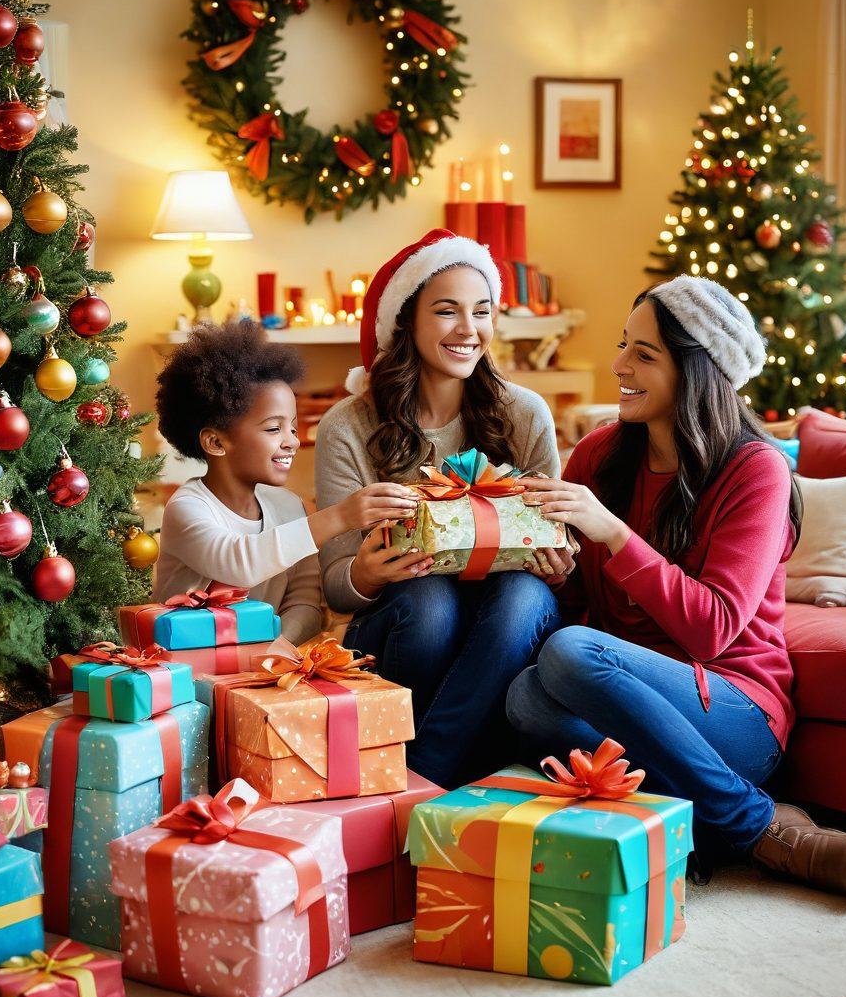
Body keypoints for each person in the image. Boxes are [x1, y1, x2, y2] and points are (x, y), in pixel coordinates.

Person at [507, 276, 846, 901]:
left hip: (736, 710)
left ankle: (754, 825)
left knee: (572, 653)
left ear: (697, 372)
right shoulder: (598, 456)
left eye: (644, 355)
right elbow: (577, 606)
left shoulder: (755, 469)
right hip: (639, 711)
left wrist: (614, 533)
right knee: (525, 694)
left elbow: (712, 628)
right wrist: (557, 572)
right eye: (625, 345)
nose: (618, 365)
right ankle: (697, 815)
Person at [315, 230, 565, 787]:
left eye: (482, 312)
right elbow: (335, 588)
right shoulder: (348, 427)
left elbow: (558, 547)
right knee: (429, 600)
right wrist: (364, 573)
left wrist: (558, 562)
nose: (468, 330)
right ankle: (443, 770)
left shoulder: (525, 415)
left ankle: (422, 774)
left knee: (526, 594)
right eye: (447, 311)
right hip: (401, 631)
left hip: (503, 629)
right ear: (407, 320)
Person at [154, 320, 418, 644]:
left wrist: (279, 647)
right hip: (184, 677)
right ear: (216, 443)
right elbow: (240, 563)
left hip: (260, 672)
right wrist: (339, 516)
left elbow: (305, 601)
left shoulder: (289, 506)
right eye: (272, 429)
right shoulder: (187, 508)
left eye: (292, 428)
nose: (291, 442)